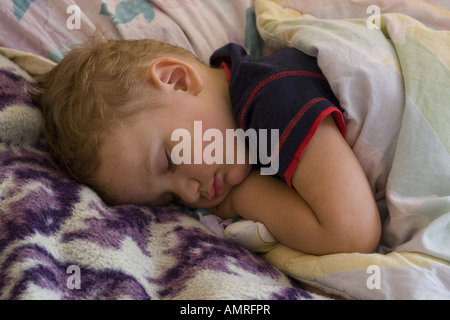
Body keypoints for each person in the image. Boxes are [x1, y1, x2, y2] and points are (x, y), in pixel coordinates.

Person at [31, 37, 381, 255]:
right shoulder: (244, 127)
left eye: (169, 161)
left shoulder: (271, 96)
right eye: (170, 199)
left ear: (177, 80)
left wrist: (240, 198)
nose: (190, 194)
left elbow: (351, 234)